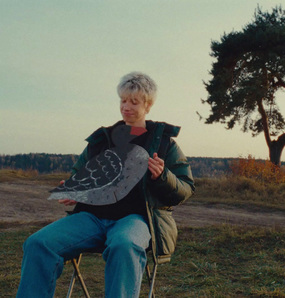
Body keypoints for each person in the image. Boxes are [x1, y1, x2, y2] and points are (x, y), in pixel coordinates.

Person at [17, 72, 195, 298]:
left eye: (134, 101)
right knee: (38, 243)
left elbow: (185, 189)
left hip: (135, 220)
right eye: (123, 100)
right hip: (91, 219)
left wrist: (162, 176)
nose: (126, 106)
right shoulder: (101, 139)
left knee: (124, 245)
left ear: (148, 105)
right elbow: (78, 175)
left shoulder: (163, 143)